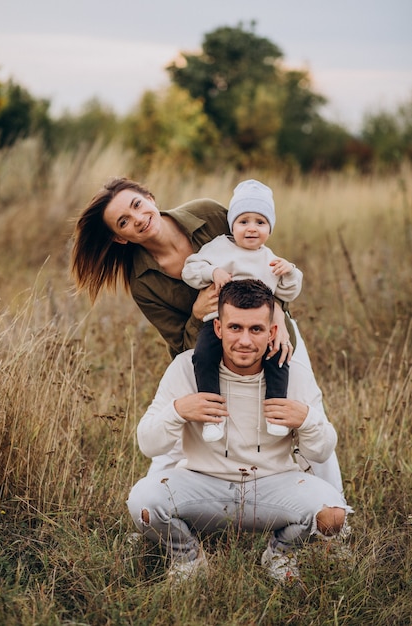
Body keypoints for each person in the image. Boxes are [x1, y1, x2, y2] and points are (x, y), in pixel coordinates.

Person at [71, 177, 343, 490]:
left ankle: (332, 513)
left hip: (273, 334)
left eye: (137, 205)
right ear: (120, 238)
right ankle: (156, 505)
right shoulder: (143, 282)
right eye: (124, 222)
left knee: (305, 414)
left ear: (150, 197)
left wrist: (278, 312)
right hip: (210, 353)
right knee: (187, 419)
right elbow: (179, 347)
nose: (138, 218)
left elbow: (259, 252)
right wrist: (197, 314)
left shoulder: (208, 215)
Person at [126, 280, 352, 583]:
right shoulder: (185, 368)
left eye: (256, 329)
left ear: (272, 331)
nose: (244, 340)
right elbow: (148, 444)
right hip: (203, 483)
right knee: (143, 501)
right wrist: (178, 410)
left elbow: (321, 451)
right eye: (235, 328)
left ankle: (281, 554)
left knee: (333, 514)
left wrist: (307, 420)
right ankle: (188, 559)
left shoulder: (294, 373)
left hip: (272, 485)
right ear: (218, 328)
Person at [182, 179, 303, 442]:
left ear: (270, 228)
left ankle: (275, 411)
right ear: (232, 225)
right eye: (243, 221)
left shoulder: (270, 258)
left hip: (260, 328)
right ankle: (213, 418)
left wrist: (291, 271)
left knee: (278, 358)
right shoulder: (219, 248)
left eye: (260, 222)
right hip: (220, 322)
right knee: (203, 356)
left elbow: (288, 293)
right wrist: (211, 271)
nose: (251, 229)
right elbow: (189, 270)